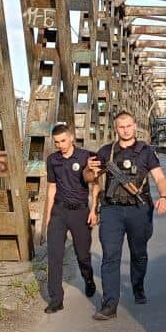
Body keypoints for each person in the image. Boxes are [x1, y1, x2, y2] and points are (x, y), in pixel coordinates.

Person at [84, 111, 166, 320]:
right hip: (111, 209)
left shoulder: (146, 151)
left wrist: (164, 196)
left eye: (129, 126)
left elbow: (159, 177)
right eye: (121, 127)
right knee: (110, 256)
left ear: (134, 127)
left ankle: (138, 286)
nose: (125, 130)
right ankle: (109, 304)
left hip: (139, 210)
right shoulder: (106, 152)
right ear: (116, 129)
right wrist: (88, 168)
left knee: (138, 253)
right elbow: (90, 178)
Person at [43, 123, 98, 312]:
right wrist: (48, 216)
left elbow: (95, 184)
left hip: (80, 212)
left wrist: (94, 210)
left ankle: (88, 278)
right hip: (59, 211)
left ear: (72, 137)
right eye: (56, 142)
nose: (60, 145)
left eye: (63, 140)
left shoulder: (85, 157)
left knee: (82, 255)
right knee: (54, 255)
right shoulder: (52, 160)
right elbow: (51, 188)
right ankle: (56, 299)